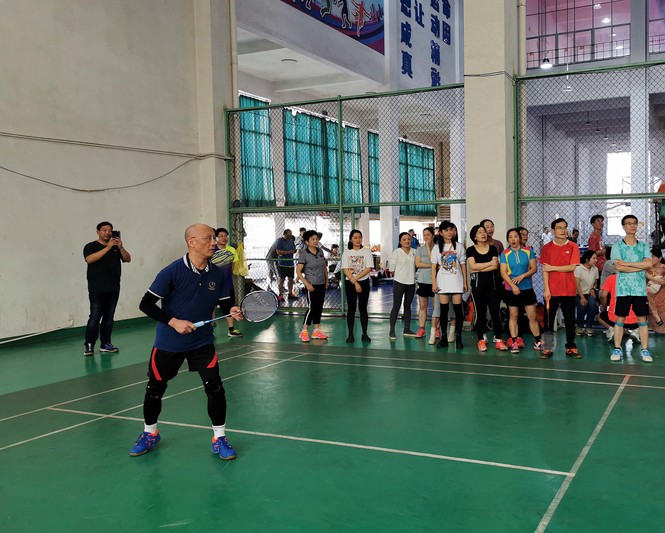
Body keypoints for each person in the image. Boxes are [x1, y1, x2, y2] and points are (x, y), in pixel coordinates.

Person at [131, 224, 241, 459]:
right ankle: (150, 433)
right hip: (169, 342)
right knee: (155, 389)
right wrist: (174, 322)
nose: (214, 242)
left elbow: (225, 302)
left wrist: (231, 309)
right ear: (192, 242)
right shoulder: (171, 272)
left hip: (202, 342)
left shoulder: (217, 273)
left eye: (214, 238)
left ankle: (219, 438)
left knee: (215, 388)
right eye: (208, 238)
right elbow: (146, 304)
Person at [610, 215, 654, 363]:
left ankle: (644, 350)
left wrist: (627, 264)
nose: (632, 226)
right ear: (623, 227)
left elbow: (648, 264)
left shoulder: (643, 246)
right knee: (620, 318)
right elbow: (619, 267)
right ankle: (617, 349)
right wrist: (639, 265)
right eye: (628, 223)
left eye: (634, 223)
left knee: (642, 319)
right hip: (623, 289)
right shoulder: (617, 246)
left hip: (639, 289)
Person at [83, 221, 131, 356]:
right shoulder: (90, 246)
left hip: (113, 288)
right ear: (98, 232)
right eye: (104, 230)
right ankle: (89, 344)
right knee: (95, 316)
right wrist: (107, 248)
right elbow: (90, 259)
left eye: (110, 230)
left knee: (109, 317)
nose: (108, 233)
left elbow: (128, 259)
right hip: (97, 289)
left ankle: (105, 343)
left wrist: (121, 247)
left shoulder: (116, 247)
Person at [540, 218, 582, 359]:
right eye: (559, 228)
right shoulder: (547, 248)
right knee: (548, 321)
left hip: (568, 290)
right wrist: (546, 289)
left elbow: (572, 267)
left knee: (570, 321)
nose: (563, 230)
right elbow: (545, 270)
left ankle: (571, 347)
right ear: (553, 231)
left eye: (565, 227)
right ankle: (547, 348)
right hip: (552, 291)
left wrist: (553, 267)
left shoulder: (573, 246)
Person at [499, 228, 542, 354]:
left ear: (519, 238)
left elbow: (534, 268)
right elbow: (503, 272)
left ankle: (537, 341)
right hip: (511, 289)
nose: (513, 239)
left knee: (532, 316)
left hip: (527, 288)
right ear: (508, 240)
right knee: (513, 316)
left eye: (515, 236)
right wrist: (513, 286)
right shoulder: (505, 253)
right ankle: (514, 342)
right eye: (510, 237)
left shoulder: (528, 251)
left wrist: (523, 276)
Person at [466, 224, 507, 352]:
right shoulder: (470, 250)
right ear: (474, 237)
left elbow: (495, 266)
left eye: (484, 231)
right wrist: (488, 264)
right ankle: (481, 339)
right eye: (479, 232)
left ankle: (498, 339)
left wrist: (478, 268)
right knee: (480, 313)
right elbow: (472, 266)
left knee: (495, 313)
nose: (483, 234)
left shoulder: (493, 249)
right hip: (477, 287)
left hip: (492, 287)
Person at [431, 220, 467, 349]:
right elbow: (433, 267)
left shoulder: (459, 247)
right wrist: (434, 283)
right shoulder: (436, 248)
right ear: (440, 233)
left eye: (451, 229)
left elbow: (463, 265)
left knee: (458, 311)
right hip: (442, 282)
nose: (449, 232)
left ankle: (459, 337)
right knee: (444, 310)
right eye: (446, 230)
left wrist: (465, 282)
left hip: (456, 282)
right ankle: (444, 337)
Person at [296, 230, 329, 342]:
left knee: (319, 307)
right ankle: (304, 331)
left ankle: (316, 331)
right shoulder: (304, 255)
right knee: (312, 308)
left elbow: (324, 267)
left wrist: (326, 280)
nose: (315, 241)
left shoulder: (320, 251)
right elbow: (298, 272)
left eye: (316, 239)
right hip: (311, 285)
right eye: (313, 239)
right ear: (307, 242)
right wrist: (307, 284)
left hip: (321, 283)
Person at [341, 229, 373, 343]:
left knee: (363, 308)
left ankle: (365, 333)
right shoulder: (346, 253)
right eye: (355, 237)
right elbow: (345, 269)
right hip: (350, 282)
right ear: (351, 239)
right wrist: (354, 282)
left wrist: (356, 279)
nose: (358, 239)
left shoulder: (367, 252)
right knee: (351, 309)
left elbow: (368, 268)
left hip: (363, 282)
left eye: (359, 237)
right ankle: (350, 334)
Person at [211, 228, 242, 337]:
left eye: (226, 236)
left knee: (229, 306)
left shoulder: (232, 250)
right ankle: (211, 326)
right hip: (213, 285)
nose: (224, 238)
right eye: (221, 236)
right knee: (211, 306)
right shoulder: (211, 250)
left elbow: (233, 266)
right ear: (216, 238)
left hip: (227, 284)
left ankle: (231, 329)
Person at [389, 232, 417, 339]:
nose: (407, 241)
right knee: (396, 306)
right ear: (400, 241)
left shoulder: (415, 252)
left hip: (411, 283)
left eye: (408, 239)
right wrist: (400, 274)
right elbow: (391, 269)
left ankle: (407, 329)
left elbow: (417, 265)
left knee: (408, 306)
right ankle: (392, 330)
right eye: (404, 239)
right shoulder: (396, 252)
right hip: (399, 283)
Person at [598, 273, 640, 344]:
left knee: (600, 316)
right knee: (644, 317)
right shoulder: (636, 278)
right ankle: (636, 332)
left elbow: (603, 296)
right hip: (634, 320)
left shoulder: (611, 278)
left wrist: (604, 307)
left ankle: (613, 330)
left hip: (615, 319)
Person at [414, 227, 437, 340]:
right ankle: (421, 328)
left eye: (428, 234)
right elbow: (418, 264)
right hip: (423, 280)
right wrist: (432, 266)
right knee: (423, 306)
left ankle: (437, 329)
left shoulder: (437, 248)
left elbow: (434, 260)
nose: (426, 237)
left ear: (433, 235)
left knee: (436, 307)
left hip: (435, 281)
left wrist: (428, 247)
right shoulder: (419, 249)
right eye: (424, 235)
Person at [574, 250, 599, 337]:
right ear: (587, 260)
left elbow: (595, 283)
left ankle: (589, 327)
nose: (596, 260)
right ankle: (579, 326)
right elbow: (577, 285)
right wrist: (582, 297)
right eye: (594, 258)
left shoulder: (595, 269)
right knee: (583, 304)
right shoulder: (578, 268)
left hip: (589, 293)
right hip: (578, 293)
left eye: (596, 258)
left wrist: (593, 289)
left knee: (593, 304)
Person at [646, 247, 665, 332]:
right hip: (649, 294)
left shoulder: (663, 268)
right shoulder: (647, 268)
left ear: (660, 258)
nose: (651, 259)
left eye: (653, 257)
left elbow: (663, 282)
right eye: (649, 256)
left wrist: (650, 277)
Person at [275, 229, 297, 301]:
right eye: (288, 235)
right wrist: (288, 252)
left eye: (290, 235)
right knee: (281, 280)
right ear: (284, 234)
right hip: (282, 264)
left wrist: (294, 251)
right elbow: (278, 251)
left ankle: (290, 293)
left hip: (290, 263)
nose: (289, 237)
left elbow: (294, 249)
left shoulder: (291, 241)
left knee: (290, 279)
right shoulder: (279, 241)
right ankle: (280, 295)